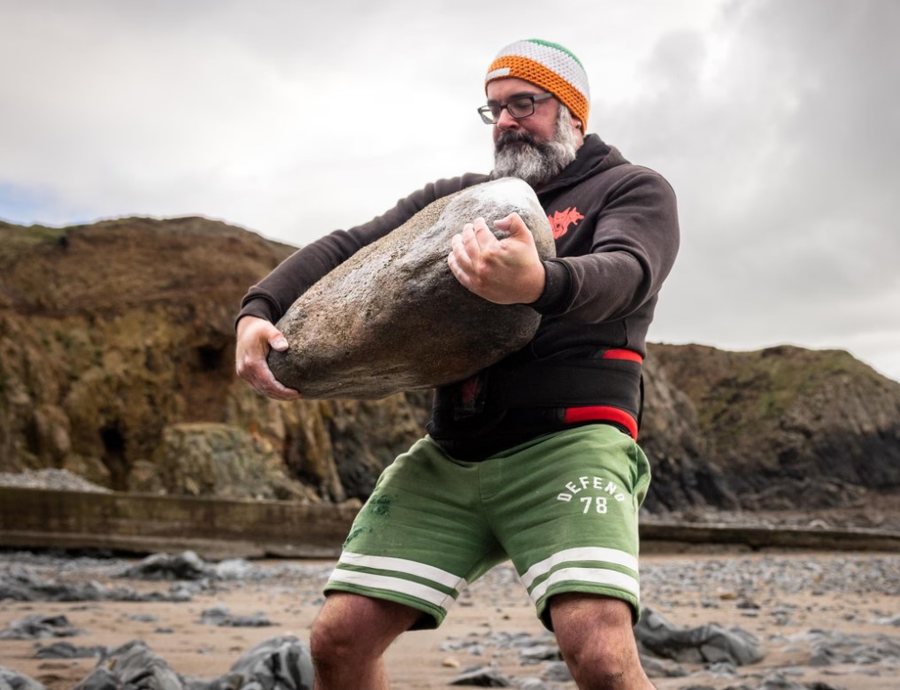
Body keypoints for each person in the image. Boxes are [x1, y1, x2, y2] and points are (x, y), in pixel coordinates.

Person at [236, 38, 679, 690]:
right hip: (452, 453)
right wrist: (259, 308)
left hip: (572, 445)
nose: (505, 122)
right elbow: (351, 246)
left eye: (523, 103)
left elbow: (628, 272)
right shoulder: (463, 199)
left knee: (600, 655)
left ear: (573, 112)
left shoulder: (632, 188)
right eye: (494, 108)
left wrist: (540, 282)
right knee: (338, 640)